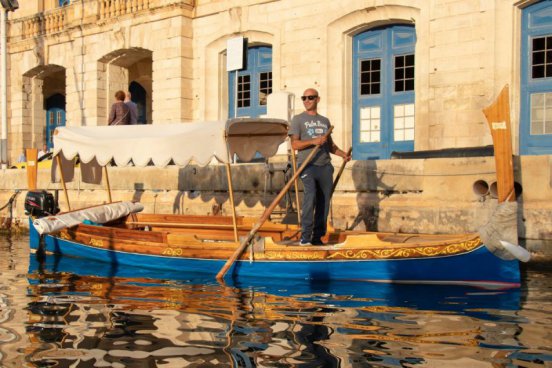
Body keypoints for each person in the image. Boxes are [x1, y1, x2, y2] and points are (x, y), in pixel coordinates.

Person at [289, 88, 351, 246]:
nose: (307, 100)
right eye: (304, 98)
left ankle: (317, 237)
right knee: (311, 197)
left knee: (324, 201)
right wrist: (313, 141)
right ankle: (305, 237)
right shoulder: (297, 119)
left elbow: (330, 145)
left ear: (318, 99)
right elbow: (294, 144)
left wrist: (343, 154)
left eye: (310, 97)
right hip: (307, 165)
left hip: (324, 165)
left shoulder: (325, 121)